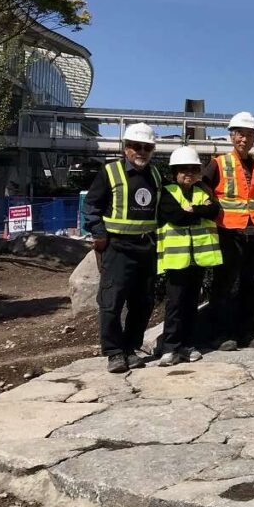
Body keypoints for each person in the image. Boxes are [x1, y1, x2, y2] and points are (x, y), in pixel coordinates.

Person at [83, 122, 162, 373]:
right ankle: (115, 352)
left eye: (147, 147)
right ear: (125, 148)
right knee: (111, 302)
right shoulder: (110, 172)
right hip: (117, 248)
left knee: (143, 302)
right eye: (136, 146)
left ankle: (131, 347)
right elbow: (92, 206)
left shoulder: (156, 175)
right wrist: (99, 234)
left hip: (145, 248)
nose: (141, 151)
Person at [202, 111, 254, 351]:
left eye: (249, 135)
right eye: (240, 134)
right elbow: (203, 187)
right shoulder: (218, 163)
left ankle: (248, 332)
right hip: (228, 231)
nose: (244, 139)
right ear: (232, 136)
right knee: (226, 284)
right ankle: (222, 334)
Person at [156, 146, 222, 366]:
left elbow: (214, 210)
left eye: (193, 170)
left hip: (198, 258)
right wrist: (198, 212)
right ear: (175, 172)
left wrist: (194, 211)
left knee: (191, 303)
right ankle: (170, 347)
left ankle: (188, 345)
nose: (189, 174)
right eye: (183, 170)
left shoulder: (203, 191)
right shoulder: (167, 192)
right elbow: (174, 216)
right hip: (176, 260)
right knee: (175, 303)